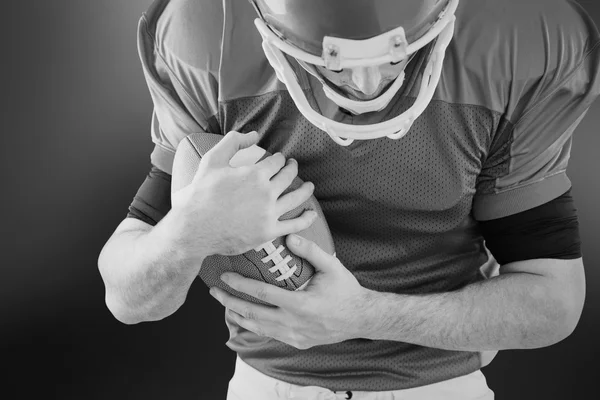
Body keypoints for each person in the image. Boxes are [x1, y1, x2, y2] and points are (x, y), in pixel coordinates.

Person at [98, 0, 599, 398]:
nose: (364, 84)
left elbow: (554, 301)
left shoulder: (508, 45)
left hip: (435, 387)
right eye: (336, 64)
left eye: (394, 57)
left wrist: (363, 315)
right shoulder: (209, 39)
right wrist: (190, 231)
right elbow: (127, 299)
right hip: (267, 386)